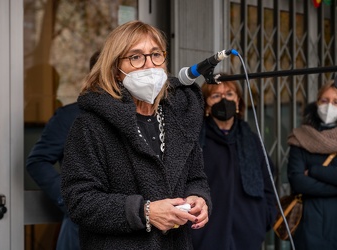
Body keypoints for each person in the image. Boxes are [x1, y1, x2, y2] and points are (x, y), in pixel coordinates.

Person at [60, 20, 211, 250]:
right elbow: (79, 201)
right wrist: (145, 212)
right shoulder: (90, 126)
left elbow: (196, 177)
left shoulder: (179, 119)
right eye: (136, 57)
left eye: (156, 54)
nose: (149, 65)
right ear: (115, 70)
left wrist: (198, 198)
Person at [26, 50, 100, 250]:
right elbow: (38, 161)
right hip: (82, 231)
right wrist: (69, 198)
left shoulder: (139, 118)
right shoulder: (71, 116)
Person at [192, 78, 277, 250]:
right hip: (206, 235)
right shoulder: (196, 141)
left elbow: (268, 183)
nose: (224, 100)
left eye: (229, 94)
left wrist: (263, 217)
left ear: (238, 101)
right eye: (216, 95)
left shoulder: (251, 140)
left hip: (248, 234)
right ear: (206, 104)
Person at [287, 79, 337, 250]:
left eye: (336, 102)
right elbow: (297, 181)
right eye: (324, 100)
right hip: (308, 223)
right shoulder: (301, 137)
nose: (329, 106)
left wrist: (315, 171)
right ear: (317, 103)